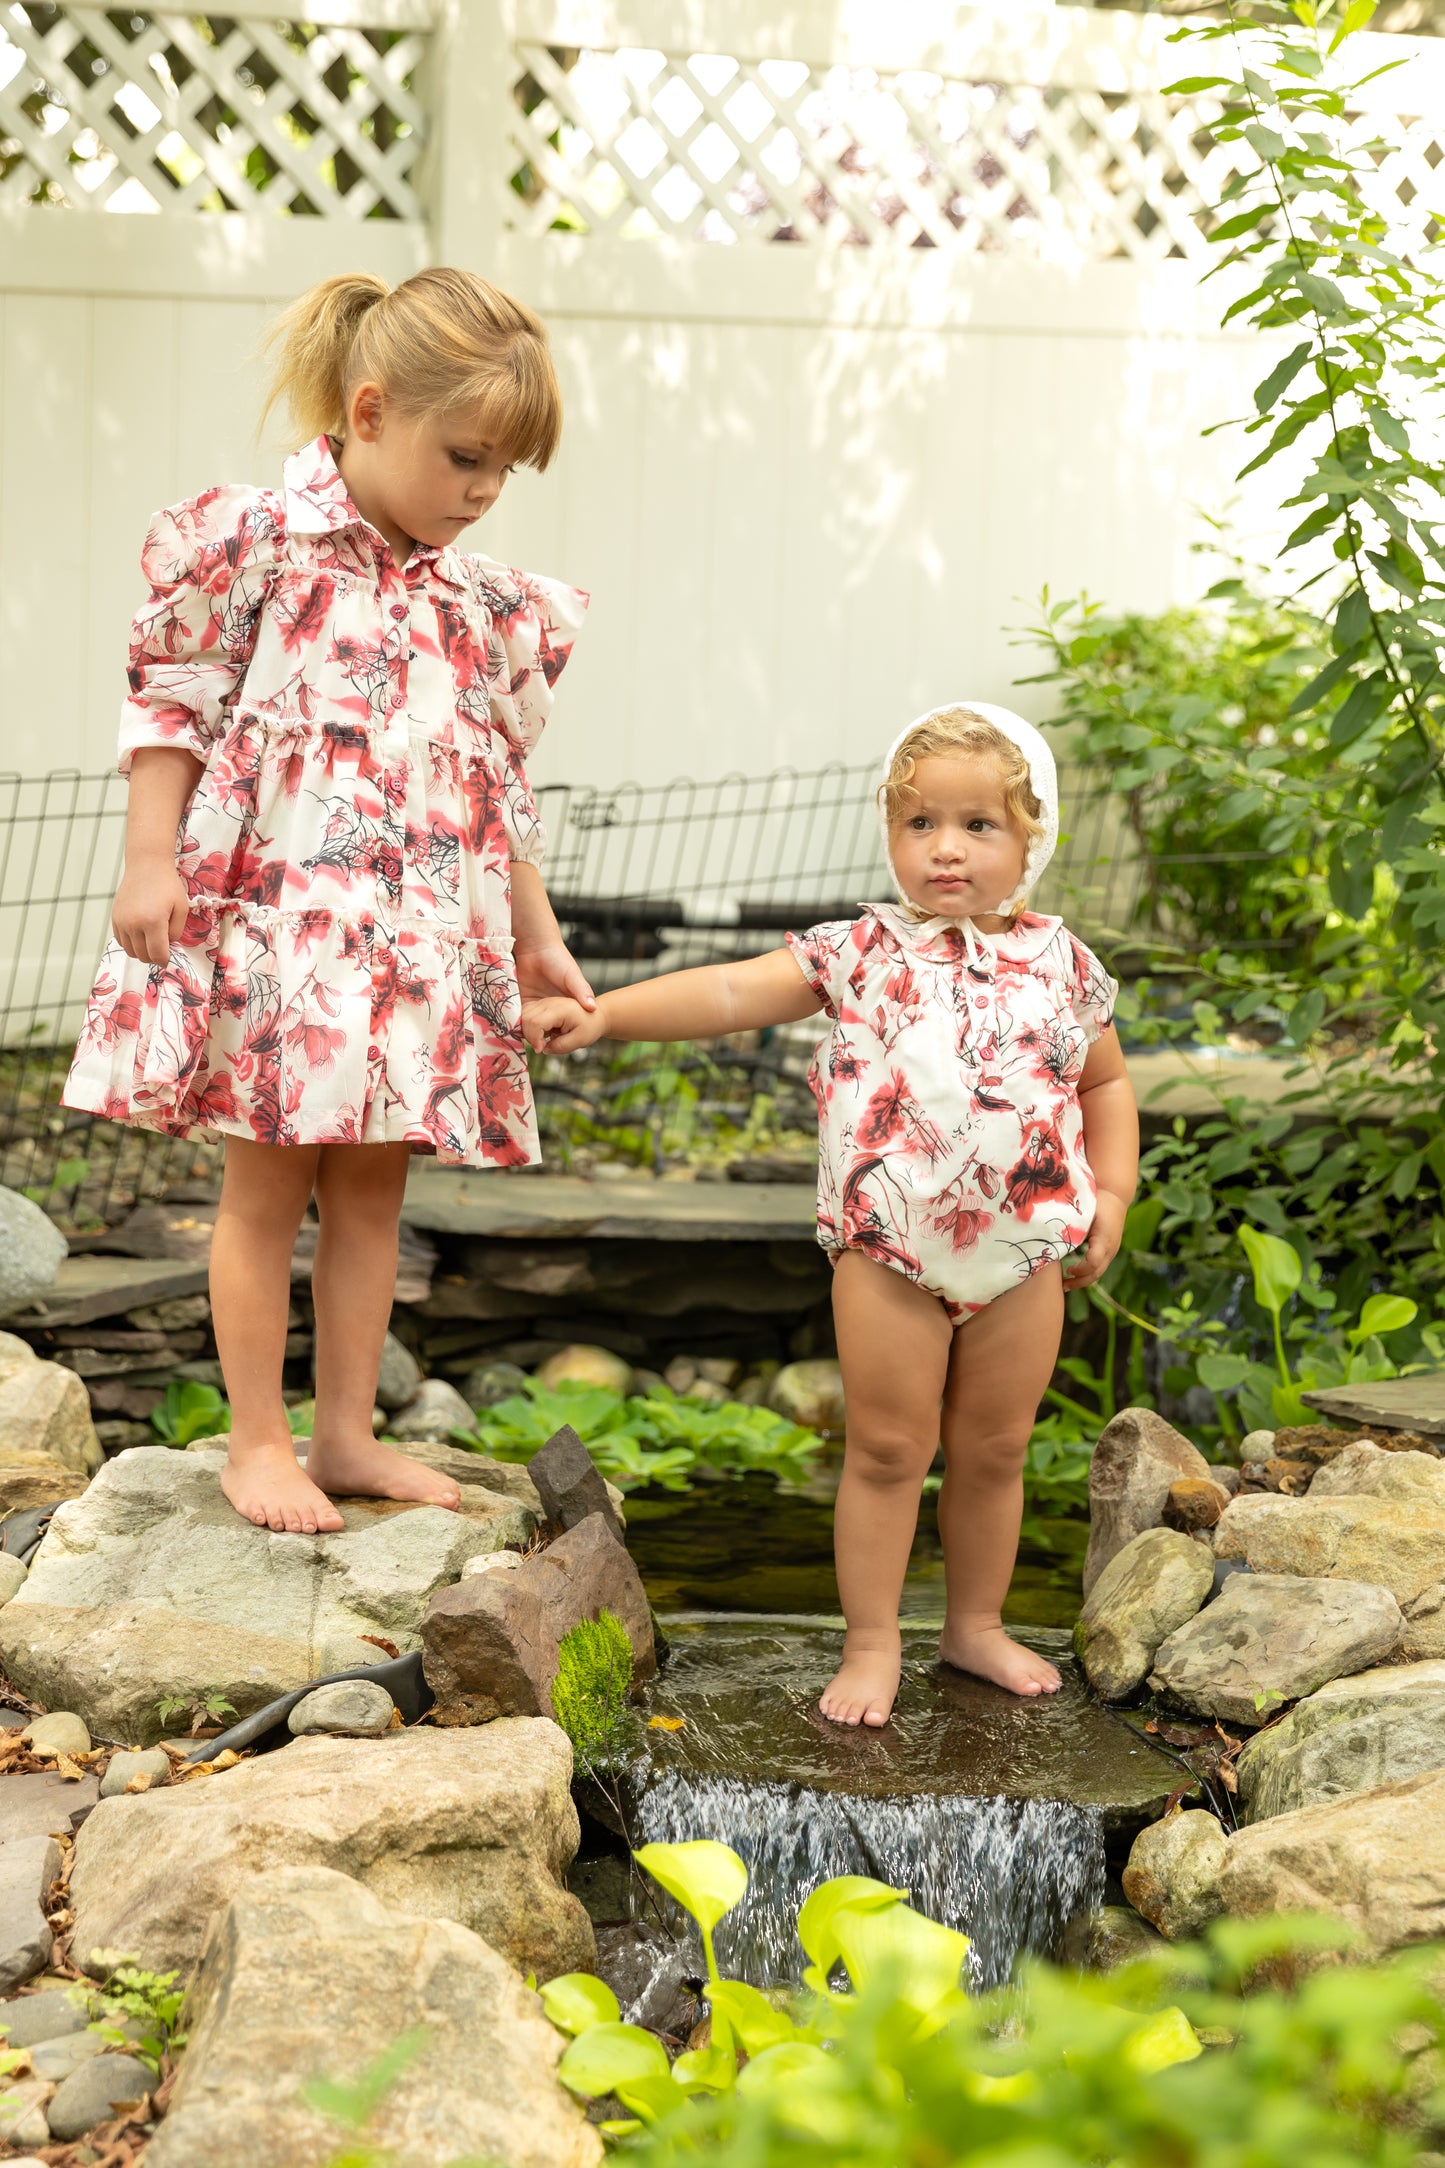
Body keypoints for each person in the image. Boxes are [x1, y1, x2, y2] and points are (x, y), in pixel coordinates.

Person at [64, 268, 594, 1537]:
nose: (479, 490)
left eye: (503, 472)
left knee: (370, 1192)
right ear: (367, 412)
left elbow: (492, 780)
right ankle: (256, 1438)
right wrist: (151, 860)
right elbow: (171, 706)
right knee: (264, 1189)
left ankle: (346, 1431)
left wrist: (537, 936)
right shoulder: (253, 544)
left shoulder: (476, 605)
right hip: (279, 922)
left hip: (411, 937)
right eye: (464, 456)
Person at [522, 704, 1138, 1727]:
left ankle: (975, 1623)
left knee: (994, 1451)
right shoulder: (855, 947)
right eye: (919, 823)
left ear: (1034, 837)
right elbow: (724, 990)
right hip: (888, 1252)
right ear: (889, 834)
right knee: (887, 1449)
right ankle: (870, 1639)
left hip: (1022, 1255)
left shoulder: (1063, 965)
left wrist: (1109, 1191)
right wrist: (608, 1014)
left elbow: (1106, 1088)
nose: (945, 847)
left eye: (978, 825)